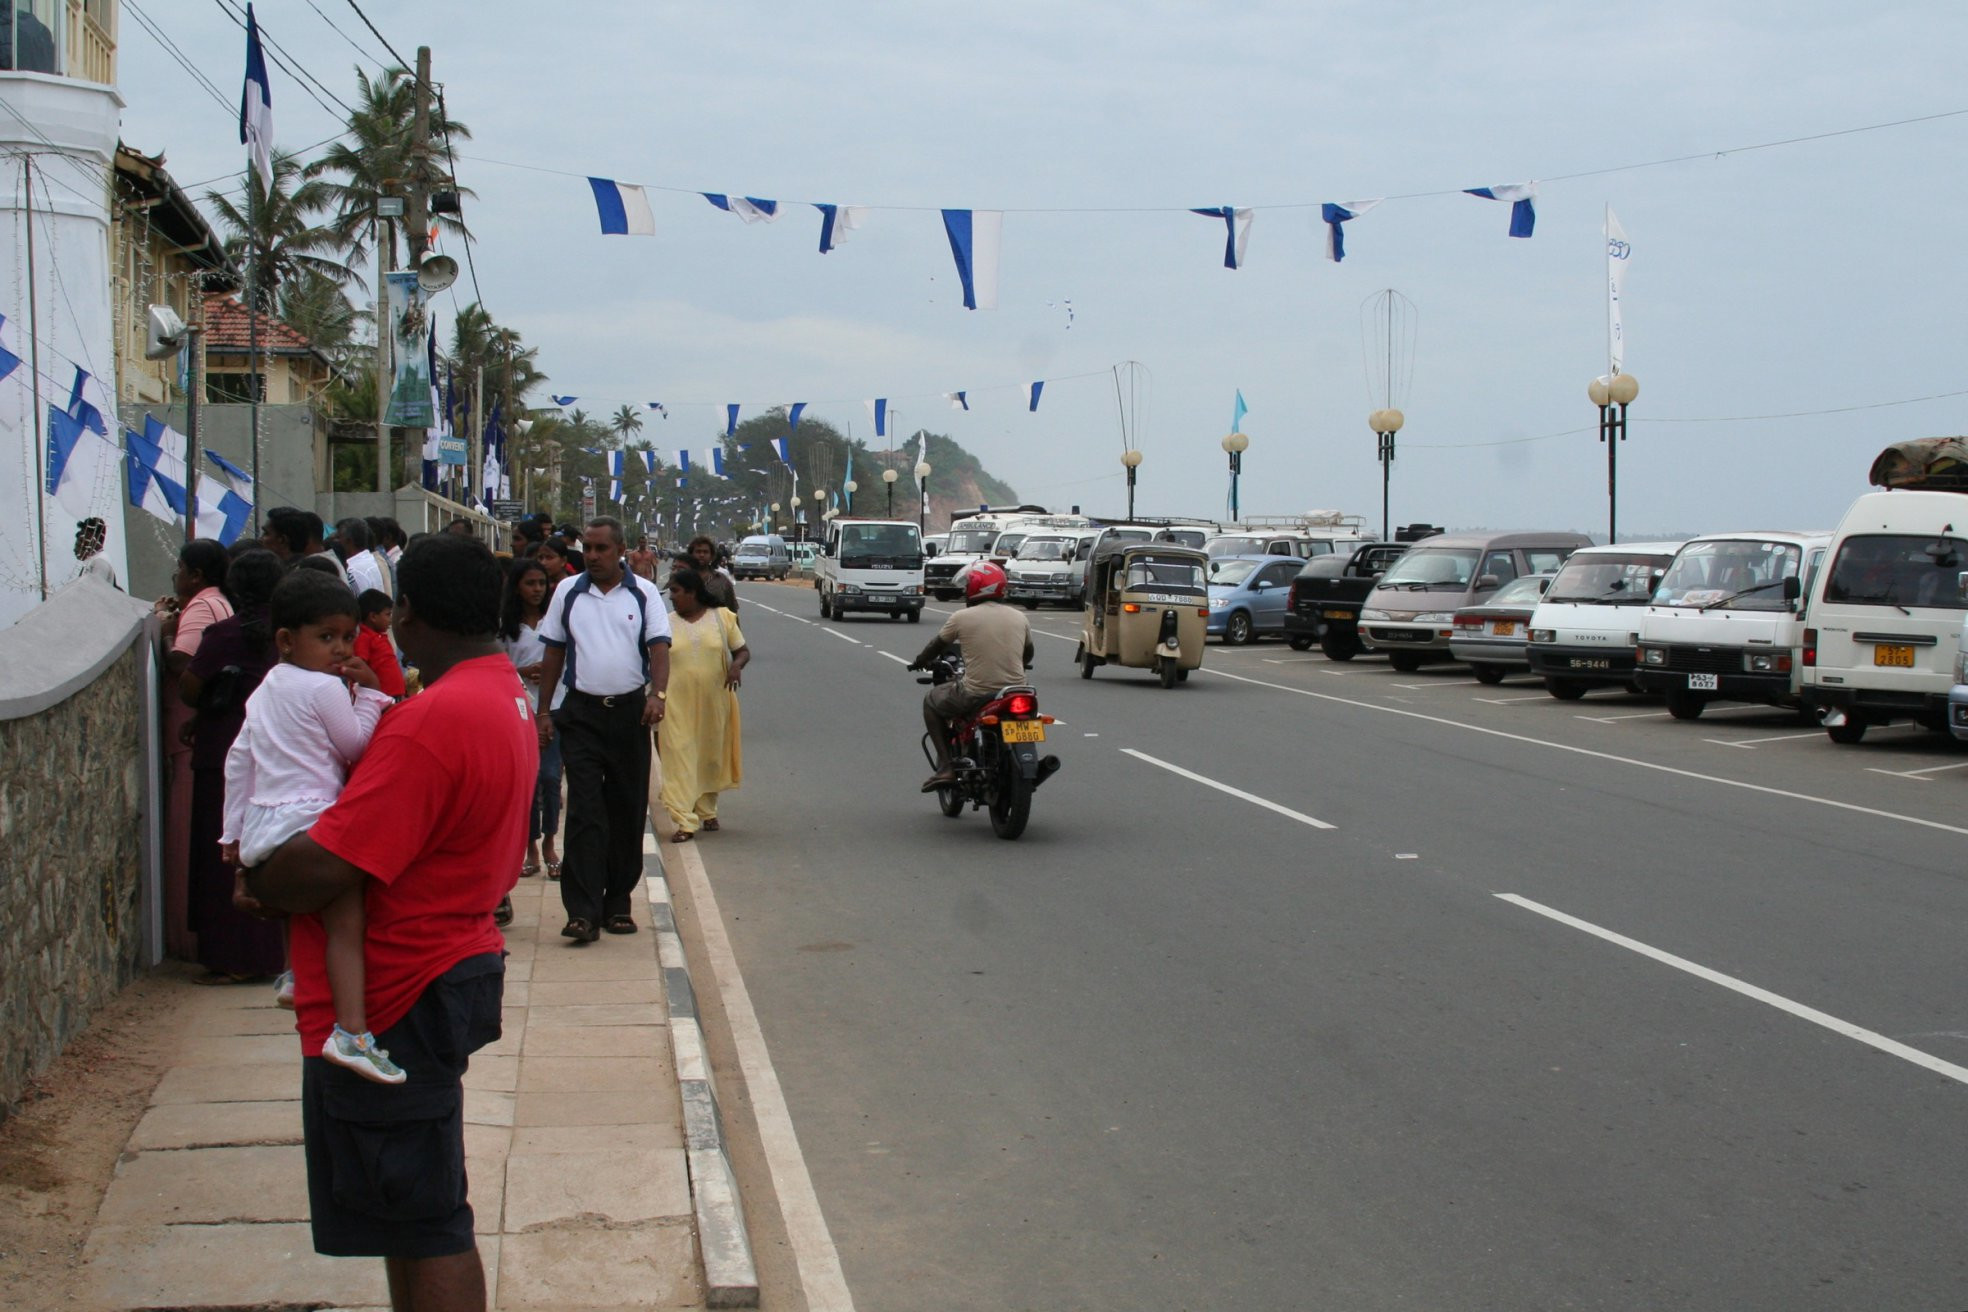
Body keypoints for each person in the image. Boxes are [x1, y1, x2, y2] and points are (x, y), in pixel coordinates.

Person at [242, 533, 530, 1307]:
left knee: (424, 1212)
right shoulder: (498, 691)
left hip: (403, 986)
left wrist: (259, 874)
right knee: (412, 1212)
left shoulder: (430, 721)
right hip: (446, 964)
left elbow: (327, 866)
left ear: (406, 611)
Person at [224, 572, 396, 1078]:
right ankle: (351, 1033)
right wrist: (370, 695)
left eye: (347, 637)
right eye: (326, 638)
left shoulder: (265, 689)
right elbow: (354, 746)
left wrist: (233, 837)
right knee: (347, 924)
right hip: (313, 816)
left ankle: (295, 974)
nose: (340, 649)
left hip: (265, 821)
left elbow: (240, 762)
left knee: (298, 909)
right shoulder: (324, 689)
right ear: (286, 639)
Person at [535, 516, 671, 943]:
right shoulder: (567, 592)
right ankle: (582, 910)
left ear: (621, 550)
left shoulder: (643, 593)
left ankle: (618, 904)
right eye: (588, 549)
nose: (592, 556)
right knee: (583, 812)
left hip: (630, 714)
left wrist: (657, 695)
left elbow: (659, 648)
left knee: (627, 810)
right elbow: (554, 652)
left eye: (601, 549)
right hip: (581, 715)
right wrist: (544, 712)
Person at [181, 549, 287, 982]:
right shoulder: (287, 635)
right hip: (278, 754)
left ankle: (230, 957)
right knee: (265, 850)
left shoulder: (225, 635)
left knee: (221, 853)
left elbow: (191, 688)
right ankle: (269, 953)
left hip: (224, 749)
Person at [155, 540, 233, 958]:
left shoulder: (202, 607)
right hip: (210, 729)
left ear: (197, 576)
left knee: (188, 830)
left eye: (181, 568)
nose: (177, 576)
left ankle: (188, 942)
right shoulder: (219, 602)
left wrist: (168, 632)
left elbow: (183, 662)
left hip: (191, 730)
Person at [909, 560, 1033, 792]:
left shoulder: (961, 617)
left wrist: (920, 661)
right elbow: (1028, 653)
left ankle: (946, 766)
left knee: (931, 701)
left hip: (977, 693)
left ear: (977, 587)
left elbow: (936, 646)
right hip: (1018, 692)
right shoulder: (1020, 617)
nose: (966, 590)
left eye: (968, 585)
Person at [657, 567, 748, 842]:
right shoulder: (664, 623)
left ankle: (708, 810)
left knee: (709, 755)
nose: (671, 597)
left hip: (714, 700)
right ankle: (684, 819)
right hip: (675, 703)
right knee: (678, 755)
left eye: (675, 591)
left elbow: (742, 650)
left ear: (692, 592)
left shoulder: (722, 618)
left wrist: (736, 667)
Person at [500, 558, 562, 879]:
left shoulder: (556, 620)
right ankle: (530, 849)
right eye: (530, 583)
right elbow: (495, 666)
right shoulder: (506, 627)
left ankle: (551, 842)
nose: (537, 589)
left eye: (542, 583)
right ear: (517, 587)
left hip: (554, 708)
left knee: (551, 777)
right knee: (528, 780)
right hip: (519, 709)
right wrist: (521, 672)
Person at [355, 589, 407, 699]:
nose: (390, 619)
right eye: (387, 614)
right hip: (382, 697)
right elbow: (359, 665)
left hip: (394, 693)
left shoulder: (378, 635)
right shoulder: (364, 638)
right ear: (373, 617)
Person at [681, 535, 739, 612]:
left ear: (711, 556)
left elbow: (732, 611)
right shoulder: (681, 580)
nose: (702, 555)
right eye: (698, 551)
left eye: (705, 552)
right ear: (691, 554)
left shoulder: (722, 581)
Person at [333, 518, 388, 597]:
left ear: (349, 541)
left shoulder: (353, 571)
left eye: (338, 537)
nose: (335, 541)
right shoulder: (370, 560)